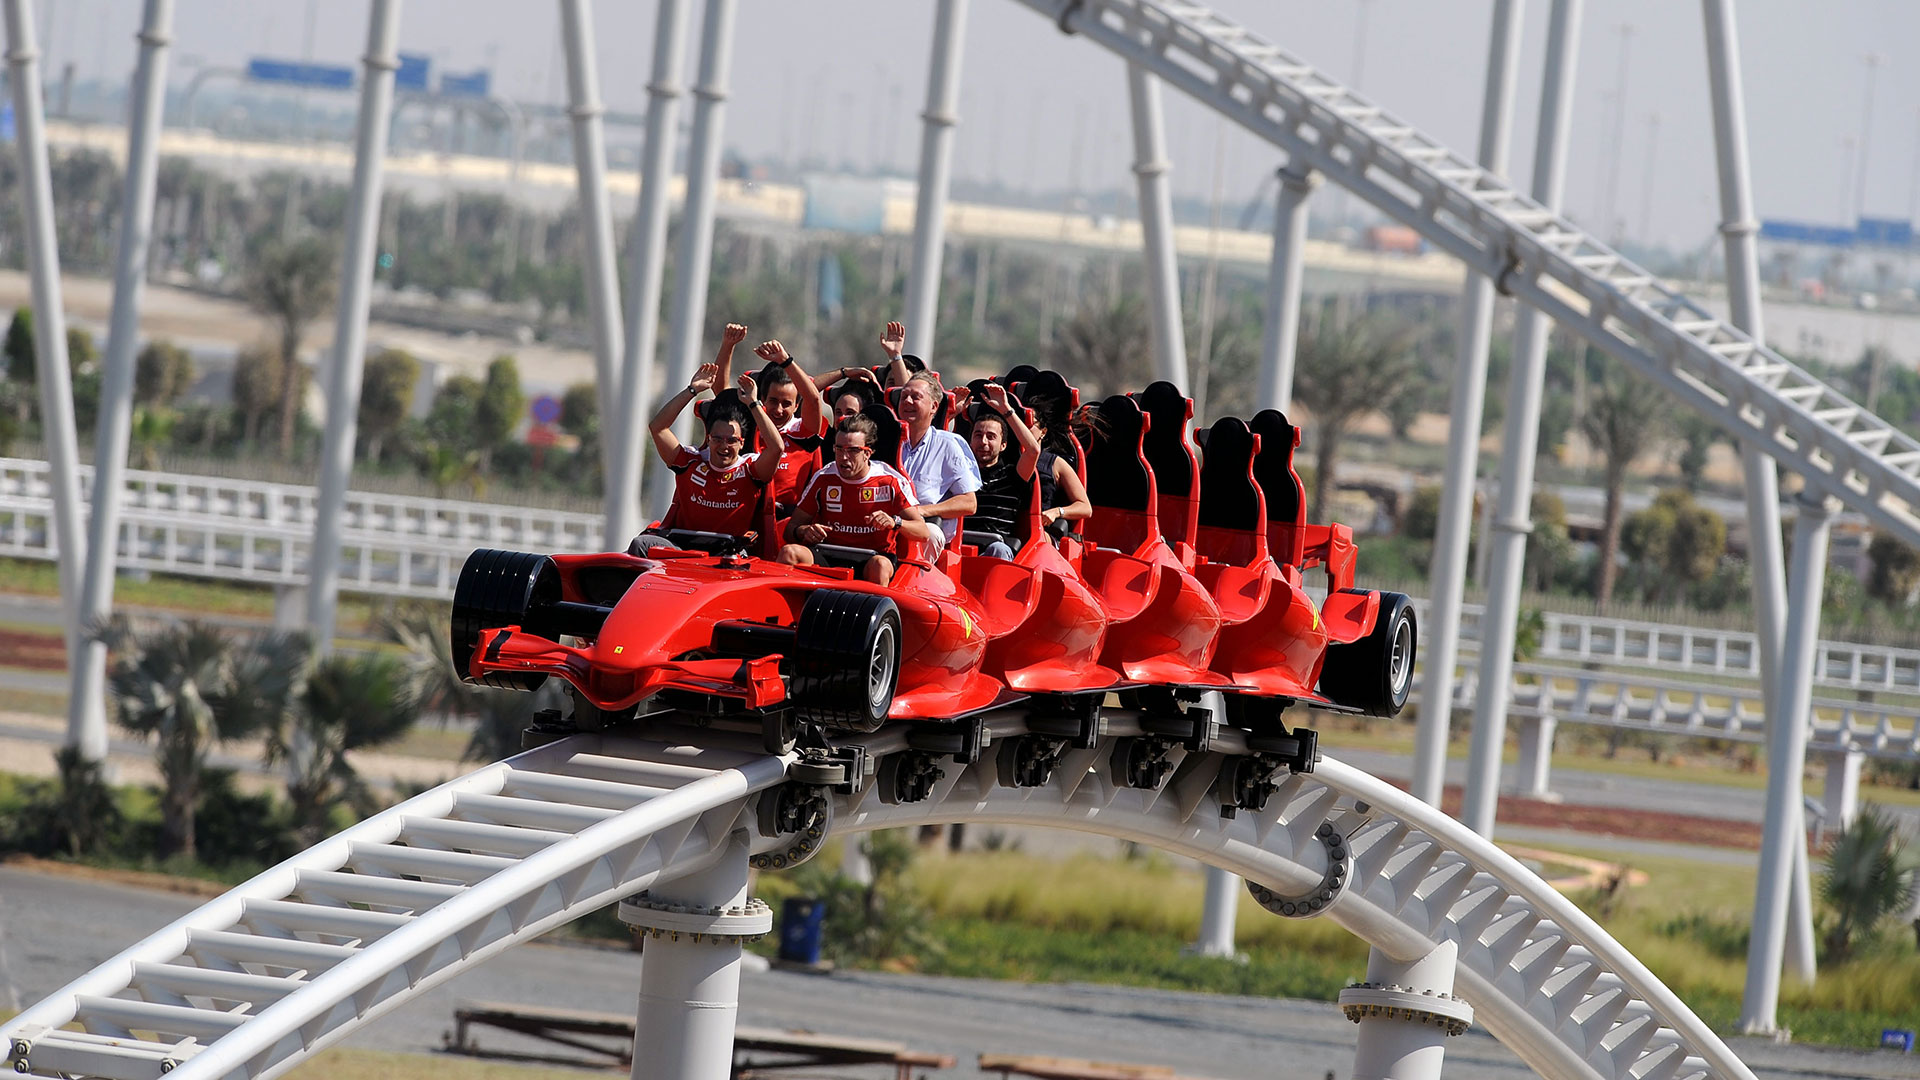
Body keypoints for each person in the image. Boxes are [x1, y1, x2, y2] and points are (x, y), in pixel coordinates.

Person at [628, 332, 783, 555]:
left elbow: (776, 448)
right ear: (708, 438)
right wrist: (693, 390)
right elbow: (658, 427)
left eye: (731, 440)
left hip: (727, 556)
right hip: (682, 550)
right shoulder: (690, 461)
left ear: (741, 443)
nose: (724, 445)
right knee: (640, 544)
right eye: (717, 439)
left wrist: (754, 403)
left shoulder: (751, 468)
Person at [778, 414, 933, 584]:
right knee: (789, 552)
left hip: (872, 558)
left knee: (880, 566)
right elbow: (790, 529)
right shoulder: (823, 477)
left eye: (852, 450)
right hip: (828, 553)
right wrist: (804, 531)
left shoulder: (890, 480)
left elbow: (923, 533)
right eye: (839, 449)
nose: (844, 457)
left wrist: (895, 522)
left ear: (868, 452)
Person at [963, 385, 1091, 558]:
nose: (983, 442)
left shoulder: (1012, 476)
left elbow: (1032, 451)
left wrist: (1006, 410)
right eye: (978, 435)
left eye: (991, 437)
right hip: (961, 543)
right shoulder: (961, 473)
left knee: (998, 550)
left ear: (1003, 445)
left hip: (997, 548)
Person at [895, 370, 979, 549]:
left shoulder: (948, 444)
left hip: (925, 528)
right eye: (903, 397)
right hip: (886, 520)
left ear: (933, 407)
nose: (908, 401)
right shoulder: (886, 438)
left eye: (915, 397)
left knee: (930, 535)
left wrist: (922, 511)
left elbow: (969, 503)